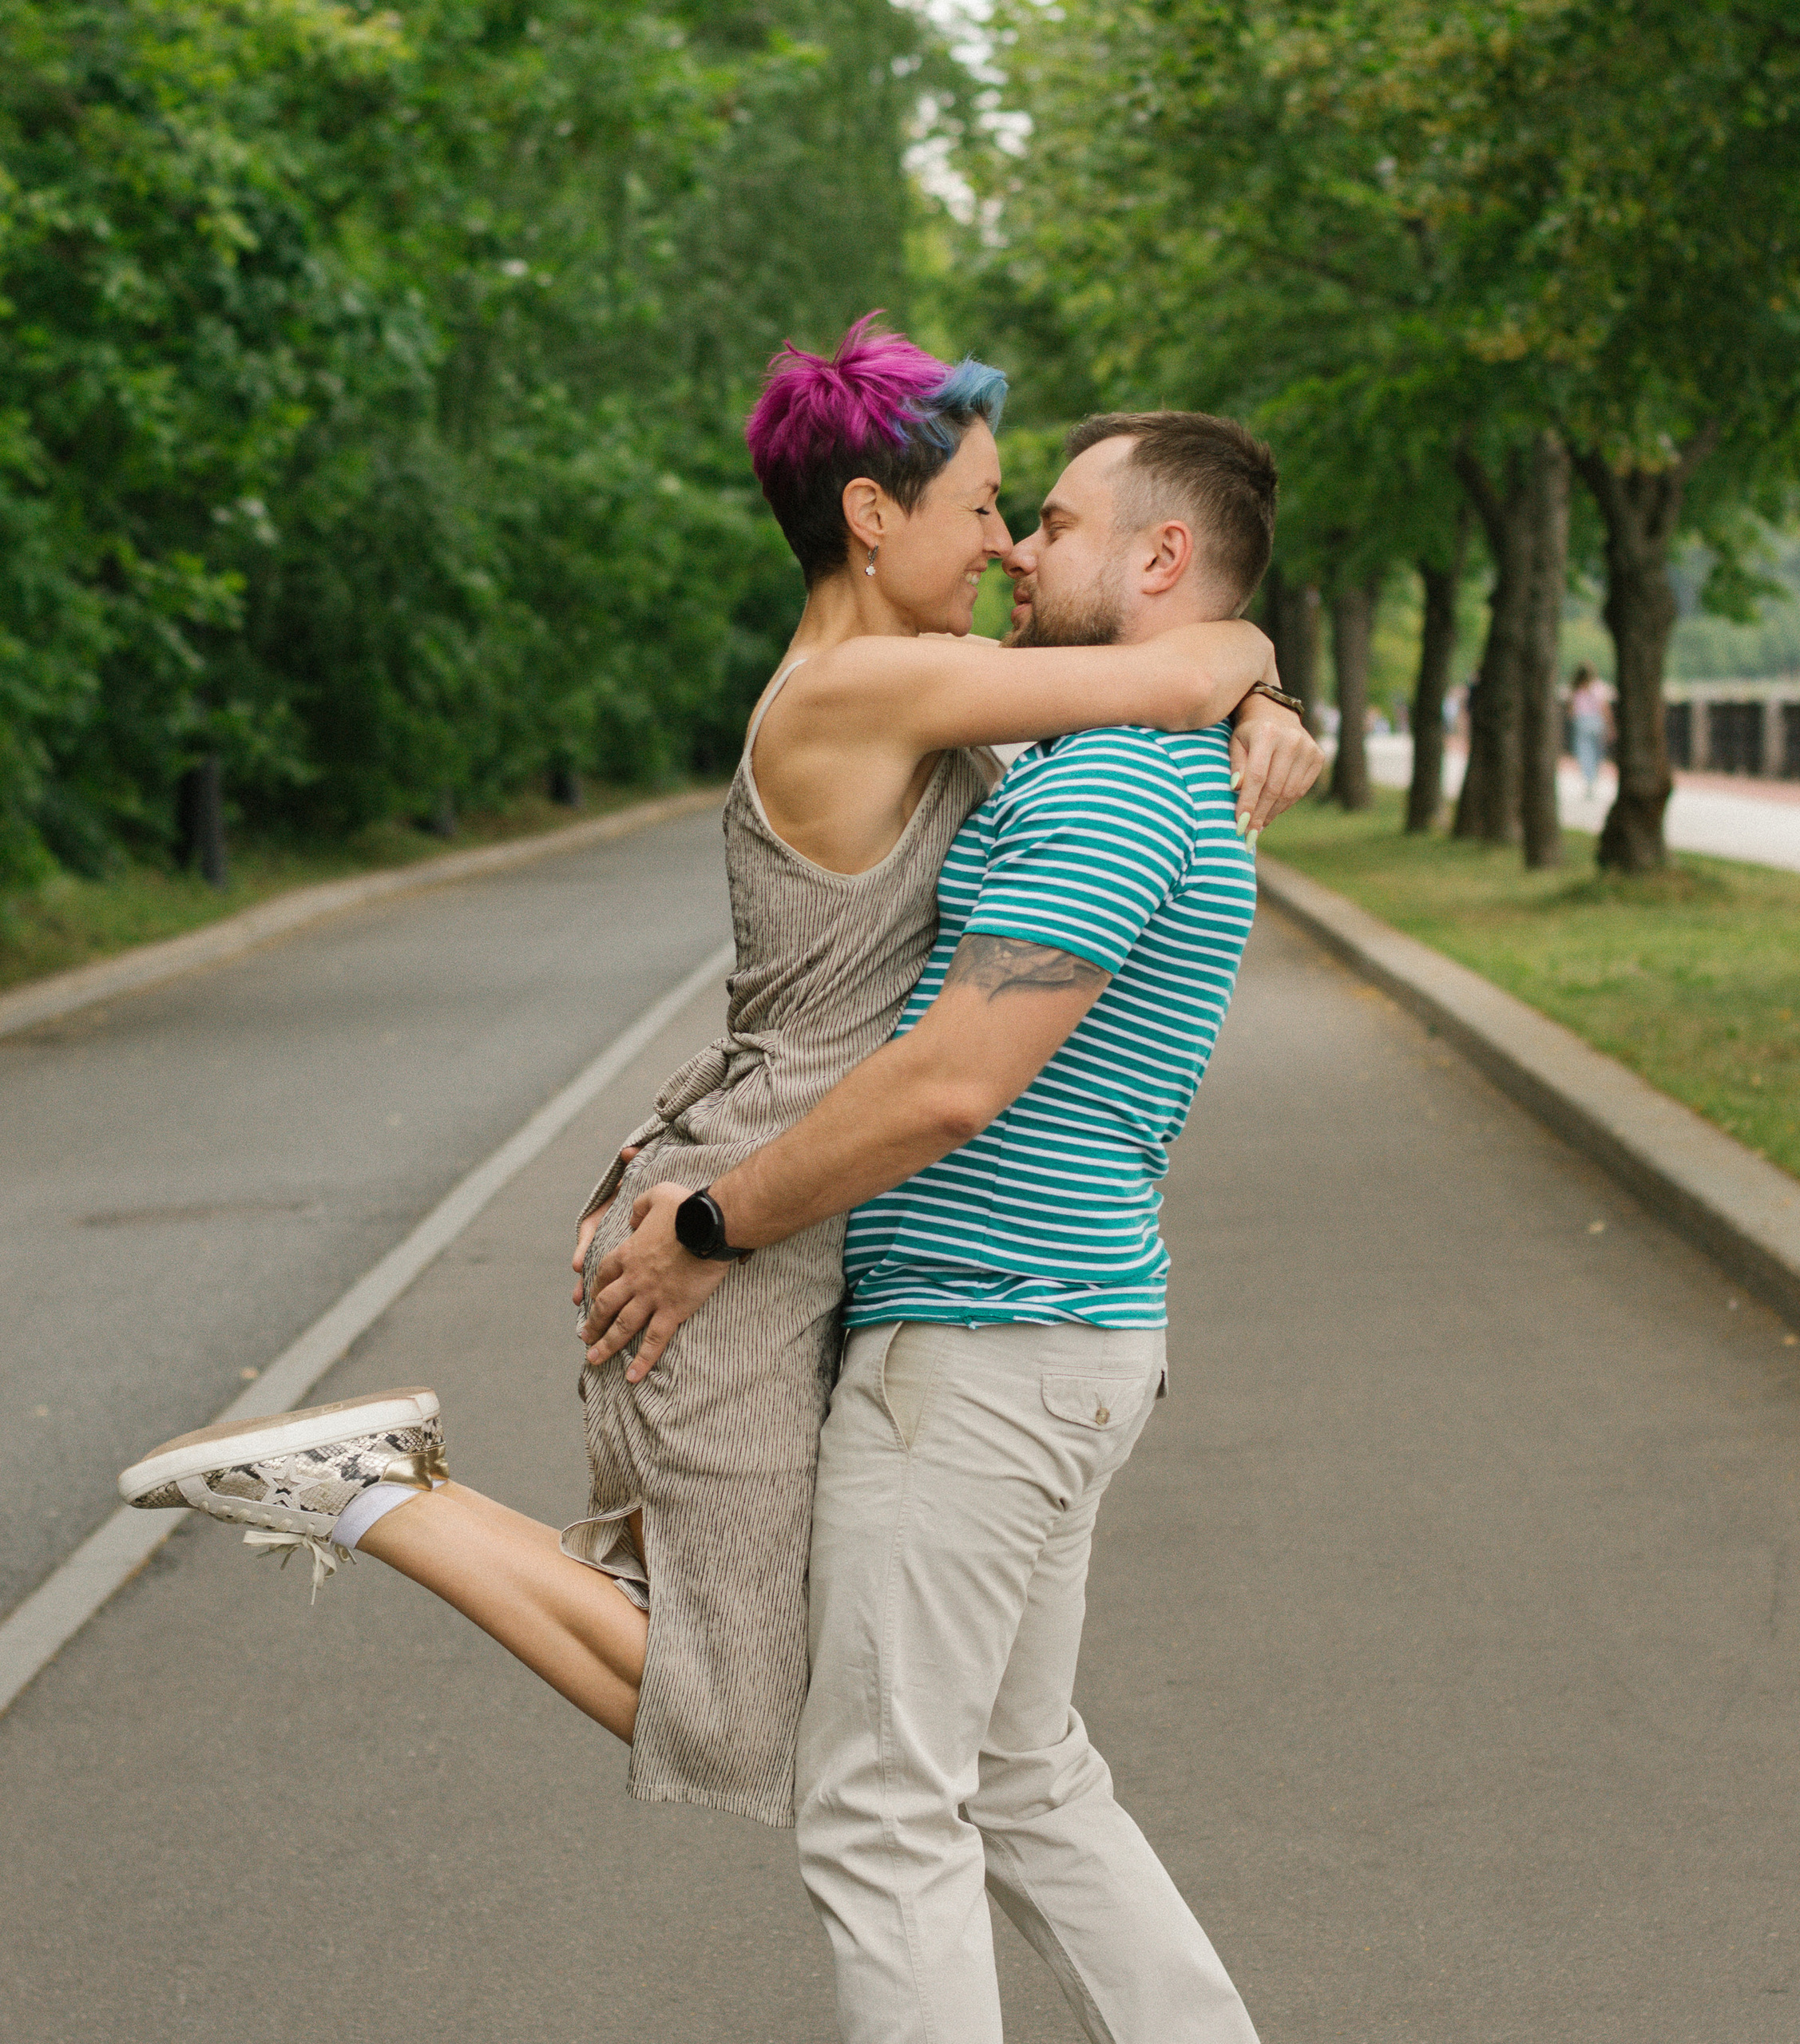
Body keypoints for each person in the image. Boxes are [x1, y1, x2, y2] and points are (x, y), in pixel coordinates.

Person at [116, 322, 1322, 1838]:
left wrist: (1249, 696)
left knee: (800, 1688)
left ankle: (379, 1487)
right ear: (874, 518)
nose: (1010, 548)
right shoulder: (857, 691)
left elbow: (1152, 664)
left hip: (806, 1209)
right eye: (981, 508)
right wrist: (1255, 672)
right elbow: (1177, 668)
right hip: (739, 1216)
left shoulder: (939, 676)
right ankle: (374, 1495)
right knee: (757, 1714)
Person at [577, 410, 1283, 2040]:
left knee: (882, 1814)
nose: (1019, 548)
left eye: (1046, 519)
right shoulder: (1137, 757)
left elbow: (943, 1086)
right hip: (1062, 1337)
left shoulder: (1102, 792)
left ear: (1157, 557)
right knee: (1022, 1775)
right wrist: (1250, 669)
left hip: (976, 1351)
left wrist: (705, 1219)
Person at [1569, 661, 1611, 798]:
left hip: (1582, 721)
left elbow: (1571, 710)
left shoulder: (1576, 689)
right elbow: (1604, 708)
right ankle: (1593, 778)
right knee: (1597, 752)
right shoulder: (1598, 687)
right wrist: (1610, 725)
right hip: (1597, 722)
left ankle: (1589, 779)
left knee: (1585, 751)